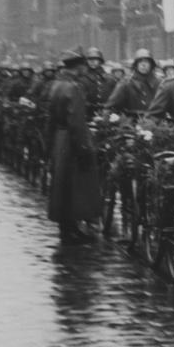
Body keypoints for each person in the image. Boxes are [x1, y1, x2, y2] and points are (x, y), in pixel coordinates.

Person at [46, 48, 101, 245]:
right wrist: (84, 148)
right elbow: (77, 121)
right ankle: (73, 228)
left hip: (60, 139)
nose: (85, 69)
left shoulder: (56, 85)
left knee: (62, 185)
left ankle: (66, 227)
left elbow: (51, 118)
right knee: (76, 187)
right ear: (78, 67)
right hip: (71, 140)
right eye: (83, 66)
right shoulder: (74, 88)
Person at [105, 48, 160, 117]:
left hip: (154, 123)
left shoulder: (158, 83)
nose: (143, 65)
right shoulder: (126, 83)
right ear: (136, 65)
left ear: (151, 64)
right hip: (130, 123)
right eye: (140, 62)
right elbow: (111, 106)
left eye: (146, 62)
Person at [81, 47, 111, 117]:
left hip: (105, 113)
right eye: (90, 59)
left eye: (95, 59)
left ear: (100, 61)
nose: (92, 61)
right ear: (86, 61)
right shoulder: (82, 77)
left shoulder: (107, 77)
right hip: (87, 113)